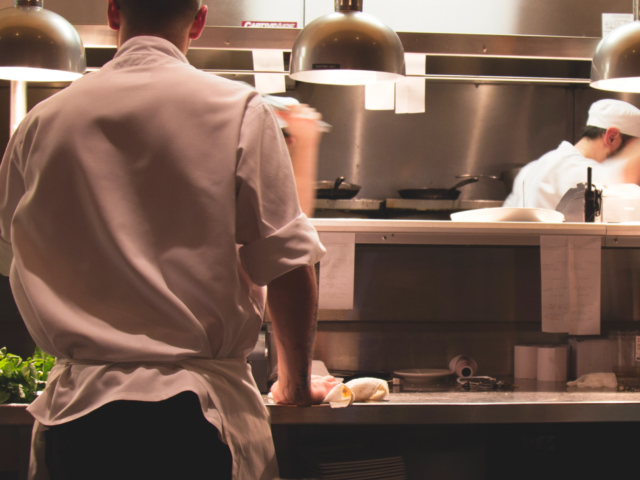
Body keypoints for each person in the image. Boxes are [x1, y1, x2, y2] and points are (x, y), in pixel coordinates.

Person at [0, 0, 339, 479]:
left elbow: (13, 254)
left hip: (77, 423)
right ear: (198, 21)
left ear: (114, 13)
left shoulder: (40, 122)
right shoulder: (238, 109)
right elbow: (286, 265)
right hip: (197, 421)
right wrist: (295, 385)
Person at [503, 99, 640, 210]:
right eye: (631, 149)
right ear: (611, 137)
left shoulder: (530, 169)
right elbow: (622, 177)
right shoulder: (574, 169)